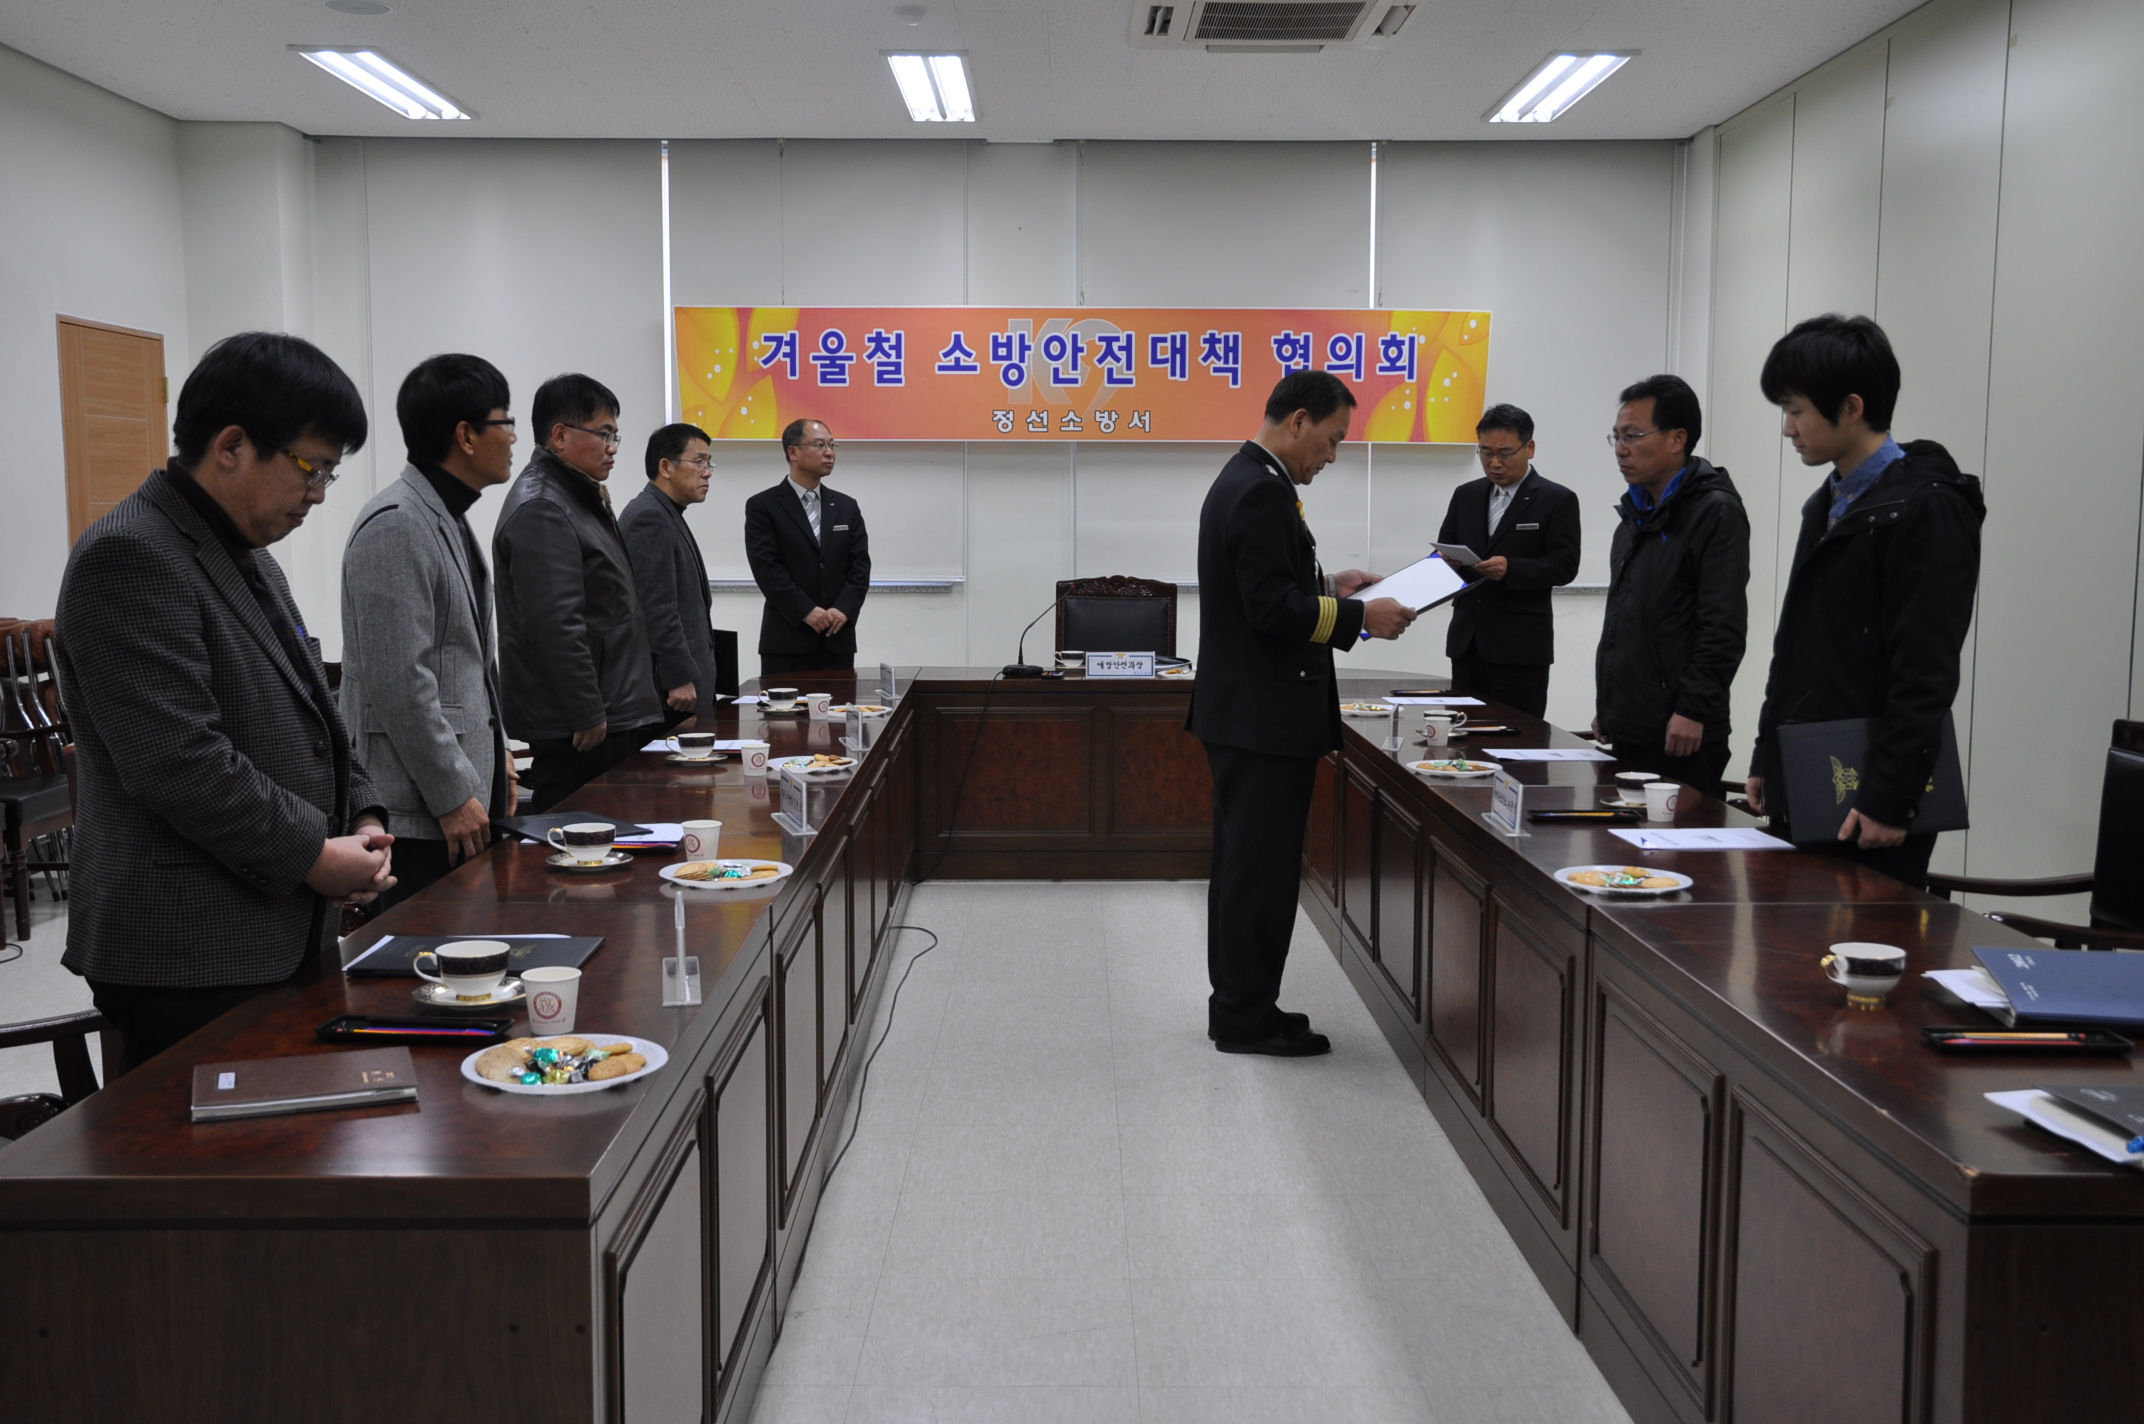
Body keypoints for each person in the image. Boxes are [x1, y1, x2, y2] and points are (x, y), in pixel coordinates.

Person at [55, 332, 393, 1074]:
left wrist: (364, 817)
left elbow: (317, 711)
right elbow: (179, 763)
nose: (319, 493)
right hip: (188, 953)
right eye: (311, 467)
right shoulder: (129, 555)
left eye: (331, 472)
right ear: (233, 446)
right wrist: (315, 855)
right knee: (210, 1149)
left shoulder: (247, 553)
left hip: (274, 928)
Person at [1189, 371, 1417, 1057]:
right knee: (1258, 877)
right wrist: (1359, 617)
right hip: (1262, 719)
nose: (1334, 455)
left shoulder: (1248, 477)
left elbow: (1270, 586)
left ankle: (1242, 1005)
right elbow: (1268, 610)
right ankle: (1246, 1019)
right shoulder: (1260, 490)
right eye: (1332, 438)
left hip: (1247, 715)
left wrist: (1331, 587)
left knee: (1246, 871)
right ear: (1297, 422)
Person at [1747, 315, 1984, 887]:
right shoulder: (1827, 504)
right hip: (1808, 773)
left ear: (1851, 407)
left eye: (1797, 410)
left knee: (1863, 941)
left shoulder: (1928, 508)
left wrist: (1890, 797)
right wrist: (1767, 757)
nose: (1788, 429)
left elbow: (1925, 672)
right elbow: (1794, 649)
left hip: (1871, 796)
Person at [340, 354, 518, 913]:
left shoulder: (444, 514)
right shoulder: (397, 523)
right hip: (421, 810)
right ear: (465, 435)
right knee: (426, 955)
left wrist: (499, 755)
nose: (514, 436)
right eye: (505, 421)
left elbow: (465, 661)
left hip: (460, 790)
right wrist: (453, 793)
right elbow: (400, 681)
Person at [493, 373, 663, 811]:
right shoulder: (543, 507)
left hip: (606, 710)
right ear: (560, 435)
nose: (613, 447)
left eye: (615, 435)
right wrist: (585, 710)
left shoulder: (576, 495)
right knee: (578, 836)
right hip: (584, 725)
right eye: (604, 434)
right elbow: (555, 624)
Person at [1594, 374, 1750, 792]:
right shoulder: (1634, 514)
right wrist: (1609, 705)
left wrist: (1694, 710)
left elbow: (1722, 625)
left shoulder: (1714, 512)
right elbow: (1625, 620)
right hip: (1631, 726)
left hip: (1681, 732)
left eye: (1632, 435)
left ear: (1677, 439)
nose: (1621, 449)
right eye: (1616, 437)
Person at [1436, 403, 1582, 717]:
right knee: (1463, 733)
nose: (1495, 463)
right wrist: (1445, 563)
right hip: (1467, 643)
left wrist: (1511, 568)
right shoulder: (1465, 495)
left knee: (1518, 735)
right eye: (1486, 453)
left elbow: (1565, 566)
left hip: (1520, 650)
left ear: (1529, 448)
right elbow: (1445, 550)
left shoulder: (1557, 499)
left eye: (1505, 453)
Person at [743, 419, 871, 678]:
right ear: (793, 452)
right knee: (784, 706)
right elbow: (767, 568)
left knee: (840, 705)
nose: (829, 453)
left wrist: (844, 609)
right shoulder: (763, 505)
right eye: (820, 445)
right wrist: (806, 611)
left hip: (837, 637)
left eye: (832, 445)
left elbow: (860, 566)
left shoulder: (846, 506)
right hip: (787, 639)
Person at [621, 423, 724, 721]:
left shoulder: (666, 511)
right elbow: (656, 609)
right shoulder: (649, 517)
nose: (707, 472)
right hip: (671, 696)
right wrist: (677, 677)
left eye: (709, 463)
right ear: (666, 467)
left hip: (685, 687)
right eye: (699, 461)